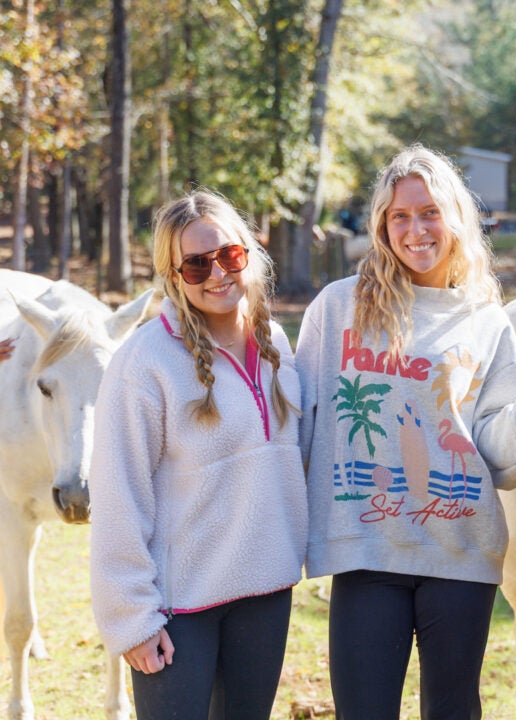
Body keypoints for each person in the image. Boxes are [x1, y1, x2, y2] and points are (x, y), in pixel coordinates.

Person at [296, 144, 516, 720]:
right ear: (382, 225)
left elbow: (491, 450)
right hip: (366, 550)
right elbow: (303, 419)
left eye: (430, 212)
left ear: (455, 218)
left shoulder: (485, 321)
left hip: (460, 553)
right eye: (400, 216)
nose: (416, 229)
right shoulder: (339, 308)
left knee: (453, 710)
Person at [89, 191, 307, 719]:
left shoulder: (275, 343)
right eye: (196, 263)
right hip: (177, 609)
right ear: (172, 274)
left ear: (248, 254)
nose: (217, 274)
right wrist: (133, 619)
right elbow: (118, 494)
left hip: (266, 592)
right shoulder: (145, 361)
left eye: (229, 255)